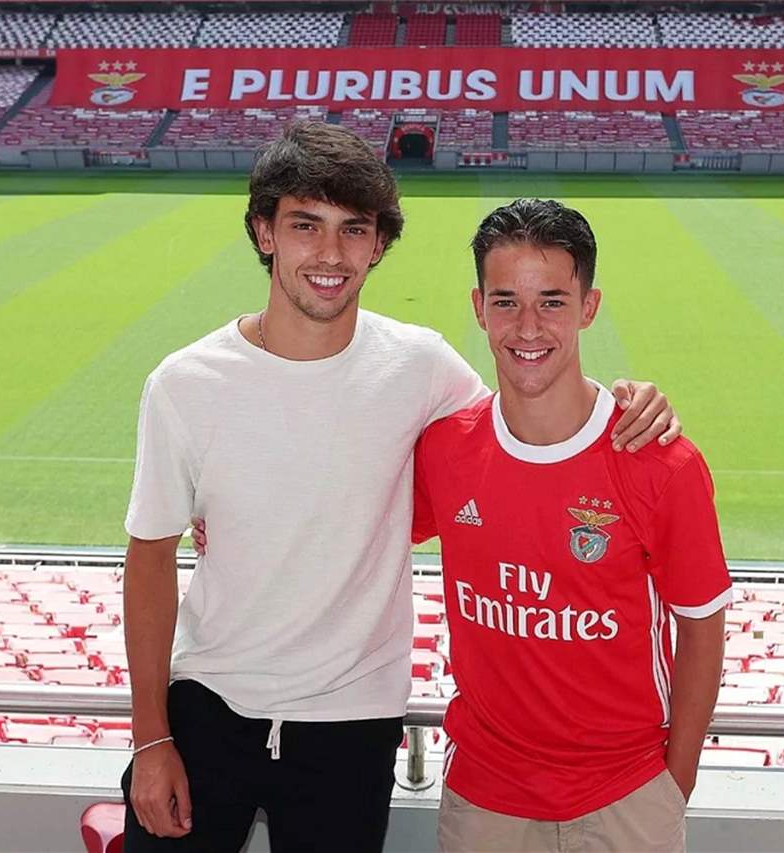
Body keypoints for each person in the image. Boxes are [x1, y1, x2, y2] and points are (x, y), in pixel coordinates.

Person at [122, 122, 682, 853]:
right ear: (264, 232)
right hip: (208, 705)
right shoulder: (185, 384)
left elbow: (525, 421)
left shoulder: (420, 365)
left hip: (353, 723)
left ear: (378, 244)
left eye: (353, 229)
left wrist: (628, 402)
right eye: (305, 225)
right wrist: (150, 737)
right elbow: (149, 559)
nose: (330, 254)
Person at [412, 198, 732, 852]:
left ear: (589, 306)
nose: (527, 326)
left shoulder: (661, 462)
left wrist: (673, 783)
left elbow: (702, 627)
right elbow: (351, 524)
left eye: (552, 301)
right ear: (478, 308)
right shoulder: (444, 450)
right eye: (506, 301)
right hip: (484, 802)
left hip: (625, 799)